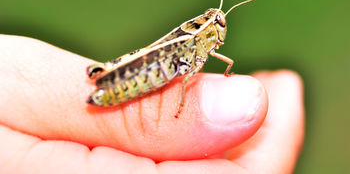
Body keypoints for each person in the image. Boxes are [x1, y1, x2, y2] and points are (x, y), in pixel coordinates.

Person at [0, 35, 304, 173]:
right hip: (153, 69)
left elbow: (215, 67)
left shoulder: (204, 48)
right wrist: (181, 108)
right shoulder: (193, 41)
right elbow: (186, 79)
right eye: (216, 27)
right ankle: (107, 77)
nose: (220, 33)